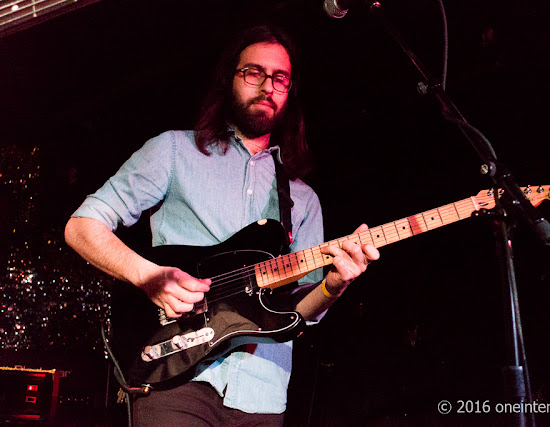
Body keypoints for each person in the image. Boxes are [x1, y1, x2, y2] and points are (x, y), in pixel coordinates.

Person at [64, 25, 379, 425]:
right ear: (229, 78)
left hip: (263, 395)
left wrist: (335, 284)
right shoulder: (174, 151)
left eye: (279, 78)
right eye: (253, 72)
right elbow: (82, 225)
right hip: (175, 379)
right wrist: (147, 276)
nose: (267, 85)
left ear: (289, 92)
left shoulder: (303, 199)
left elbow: (301, 309)